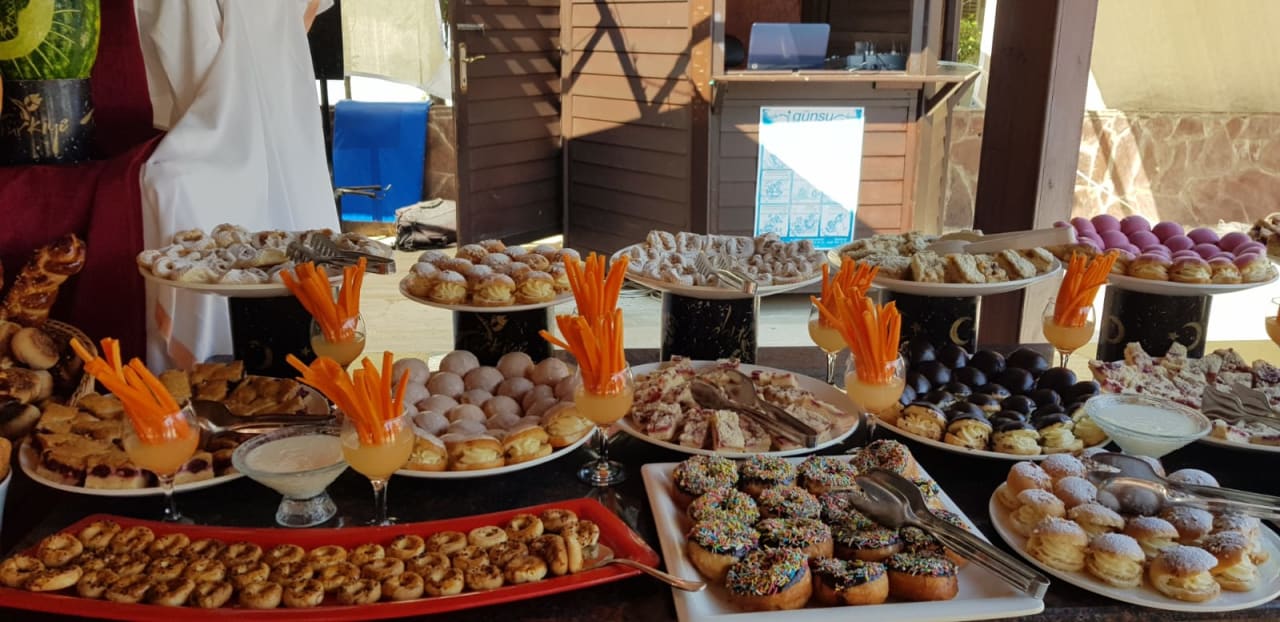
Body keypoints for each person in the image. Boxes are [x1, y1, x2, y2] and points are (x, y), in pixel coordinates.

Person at [134, 0, 339, 369]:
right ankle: (226, 365)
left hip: (266, 123)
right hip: (273, 125)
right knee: (176, 187)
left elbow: (182, 51)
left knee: (177, 187)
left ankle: (245, 366)